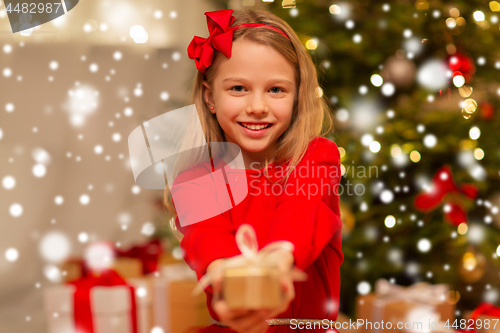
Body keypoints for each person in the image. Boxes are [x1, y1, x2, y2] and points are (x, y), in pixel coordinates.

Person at [164, 8, 344, 333]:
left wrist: (276, 266)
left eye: (276, 90)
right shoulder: (194, 181)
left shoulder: (316, 156)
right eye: (238, 89)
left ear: (297, 97)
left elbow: (300, 216)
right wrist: (228, 285)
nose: (257, 106)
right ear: (210, 97)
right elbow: (207, 241)